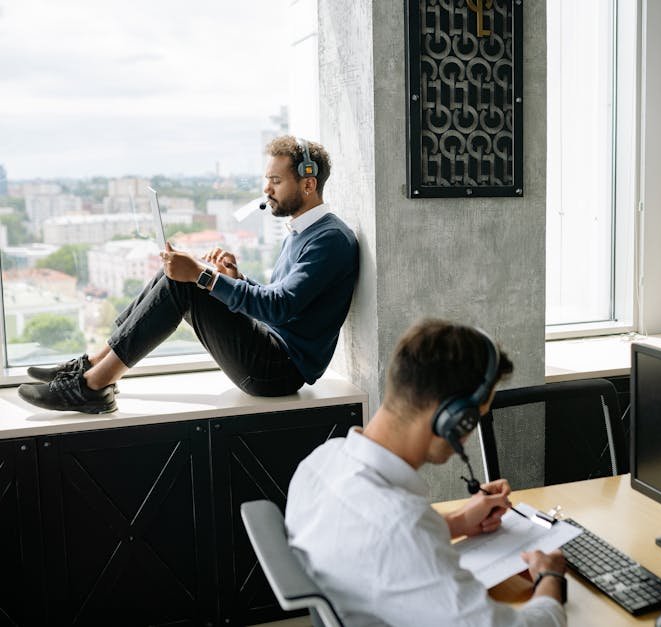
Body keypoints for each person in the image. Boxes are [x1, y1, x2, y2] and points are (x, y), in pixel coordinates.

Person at [18, 136, 359, 414]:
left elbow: (279, 308)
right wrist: (236, 278)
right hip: (272, 352)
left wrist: (205, 277)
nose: (266, 189)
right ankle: (92, 365)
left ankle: (93, 387)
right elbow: (283, 302)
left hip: (278, 372)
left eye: (275, 181)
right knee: (179, 274)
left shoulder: (329, 240)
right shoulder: (304, 231)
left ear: (308, 184)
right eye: (266, 180)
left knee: (186, 283)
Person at [285, 319, 568, 626]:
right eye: (474, 419)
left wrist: (457, 522)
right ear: (453, 419)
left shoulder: (320, 463)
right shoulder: (402, 528)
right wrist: (550, 578)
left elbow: (366, 549)